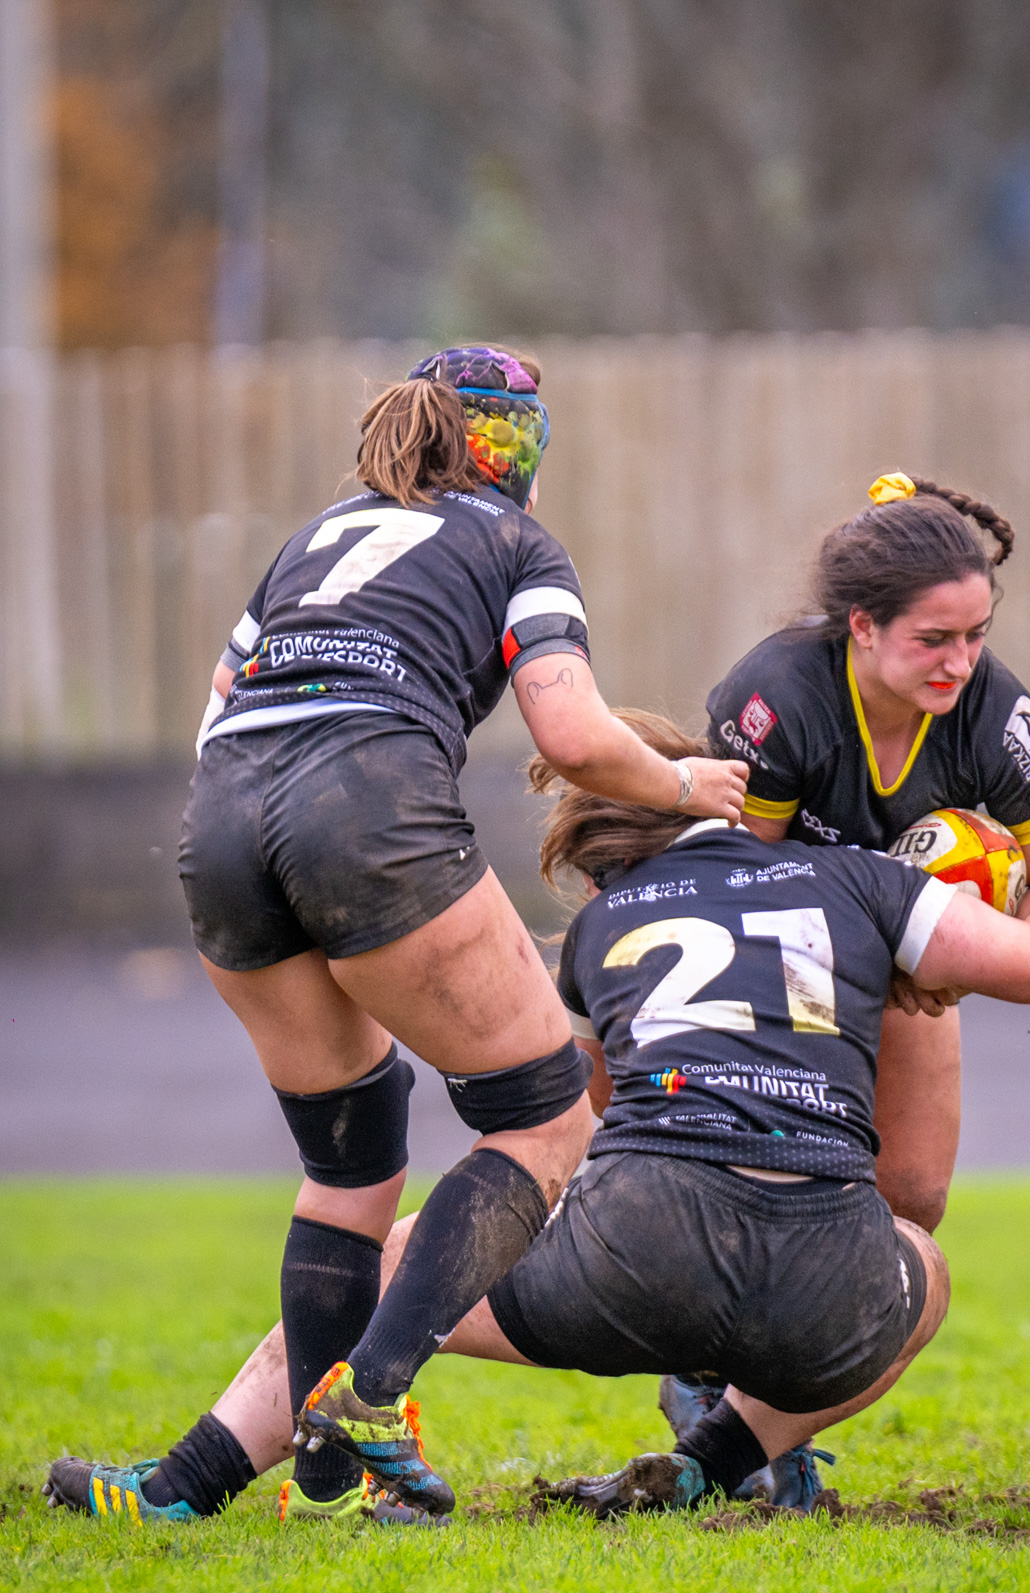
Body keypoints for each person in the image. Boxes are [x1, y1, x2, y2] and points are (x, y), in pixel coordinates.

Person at [54, 715, 1030, 1525]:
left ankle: (181, 1486)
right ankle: (716, 1461)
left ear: (608, 863)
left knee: (388, 1263)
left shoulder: (603, 927)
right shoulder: (856, 880)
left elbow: (578, 1129)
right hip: (830, 1288)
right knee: (920, 1268)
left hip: (627, 1260)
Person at [43, 349, 747, 1528]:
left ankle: (320, 1484)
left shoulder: (316, 538)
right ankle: (370, 1398)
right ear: (516, 449)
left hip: (220, 822)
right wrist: (682, 782)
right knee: (541, 1120)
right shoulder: (519, 547)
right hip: (362, 804)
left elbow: (222, 706)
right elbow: (571, 733)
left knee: (352, 1162)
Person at [707, 473, 1030, 1235]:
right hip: (785, 949)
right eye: (934, 640)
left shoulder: (994, 712)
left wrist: (959, 959)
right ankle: (708, 1350)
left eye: (976, 635)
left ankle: (839, 1350)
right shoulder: (778, 698)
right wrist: (886, 948)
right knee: (785, 1178)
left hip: (905, 948)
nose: (961, 663)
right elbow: (738, 890)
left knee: (910, 1199)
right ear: (864, 625)